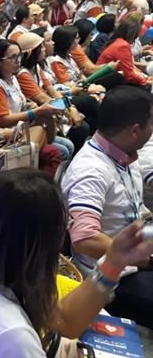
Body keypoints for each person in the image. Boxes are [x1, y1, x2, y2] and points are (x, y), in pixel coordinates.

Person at [0, 168, 153, 357]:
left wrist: (114, 262)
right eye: (65, 226)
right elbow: (48, 328)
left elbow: (62, 322)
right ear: (40, 244)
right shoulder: (10, 334)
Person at [63, 86, 153, 328]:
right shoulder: (91, 171)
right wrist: (148, 259)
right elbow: (85, 239)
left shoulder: (122, 154)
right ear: (135, 130)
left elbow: (137, 212)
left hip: (134, 257)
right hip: (111, 278)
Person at [0, 39, 72, 165]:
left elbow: (21, 104)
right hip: (11, 135)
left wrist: (29, 105)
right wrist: (35, 112)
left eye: (19, 55)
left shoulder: (12, 77)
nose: (18, 60)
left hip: (23, 127)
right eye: (12, 57)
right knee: (62, 150)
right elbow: (3, 120)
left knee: (67, 145)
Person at [15, 32, 91, 152]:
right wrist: (68, 110)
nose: (44, 49)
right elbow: (43, 99)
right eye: (41, 47)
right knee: (81, 128)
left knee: (84, 119)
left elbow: (52, 91)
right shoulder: (22, 74)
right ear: (31, 52)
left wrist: (71, 107)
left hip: (50, 108)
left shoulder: (36, 67)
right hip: (40, 114)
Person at [97, 18, 151, 87]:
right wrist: (146, 81)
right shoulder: (122, 45)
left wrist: (144, 77)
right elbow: (129, 74)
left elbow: (129, 67)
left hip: (107, 78)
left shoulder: (117, 41)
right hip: (106, 82)